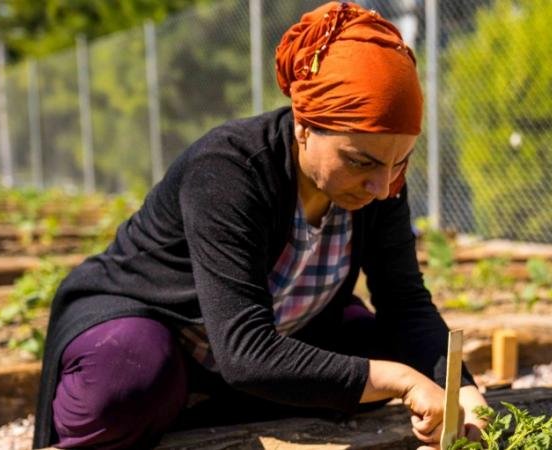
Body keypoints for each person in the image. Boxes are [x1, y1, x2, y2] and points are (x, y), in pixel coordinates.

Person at [32, 2, 488, 449]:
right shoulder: (229, 170)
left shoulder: (383, 180)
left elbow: (404, 303)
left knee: (381, 357)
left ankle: (200, 406)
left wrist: (462, 391)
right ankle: (169, 399)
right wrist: (401, 380)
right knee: (128, 383)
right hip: (161, 328)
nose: (382, 184)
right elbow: (246, 350)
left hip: (272, 336)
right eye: (359, 160)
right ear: (305, 126)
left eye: (400, 162)